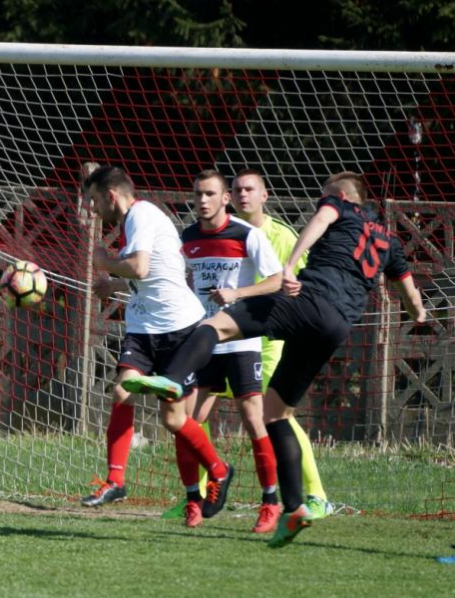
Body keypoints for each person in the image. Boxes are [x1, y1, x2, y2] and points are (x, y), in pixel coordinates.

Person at [131, 171, 425, 547]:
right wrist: (417, 314)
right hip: (336, 327)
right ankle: (293, 508)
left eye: (325, 196)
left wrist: (292, 262)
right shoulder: (390, 241)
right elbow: (408, 291)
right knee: (275, 413)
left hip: (309, 302)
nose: (322, 202)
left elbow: (320, 220)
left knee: (216, 324)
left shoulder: (338, 206)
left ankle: (171, 378)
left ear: (339, 195)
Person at [79, 165, 234, 520]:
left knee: (174, 419)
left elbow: (140, 268)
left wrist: (104, 261)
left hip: (180, 330)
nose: (93, 209)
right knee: (122, 391)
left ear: (110, 196)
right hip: (144, 327)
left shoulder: (141, 215)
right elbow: (155, 276)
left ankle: (218, 471)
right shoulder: (135, 221)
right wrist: (114, 285)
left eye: (93, 201)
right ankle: (115, 481)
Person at [178, 170, 283, 532]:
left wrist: (237, 295)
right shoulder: (186, 238)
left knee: (253, 419)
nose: (202, 201)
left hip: (239, 339)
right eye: (197, 194)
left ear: (225, 199)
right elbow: (177, 279)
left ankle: (270, 501)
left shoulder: (247, 234)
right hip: (201, 339)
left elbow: (277, 280)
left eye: (209, 194)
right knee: (184, 421)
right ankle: (193, 499)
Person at [231, 168, 333, 521]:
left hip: (270, 337)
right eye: (238, 190)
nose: (243, 195)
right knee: (196, 402)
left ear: (265, 196)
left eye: (250, 189)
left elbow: (300, 283)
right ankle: (197, 494)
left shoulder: (282, 235)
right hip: (228, 333)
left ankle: (316, 494)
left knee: (275, 413)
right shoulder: (224, 230)